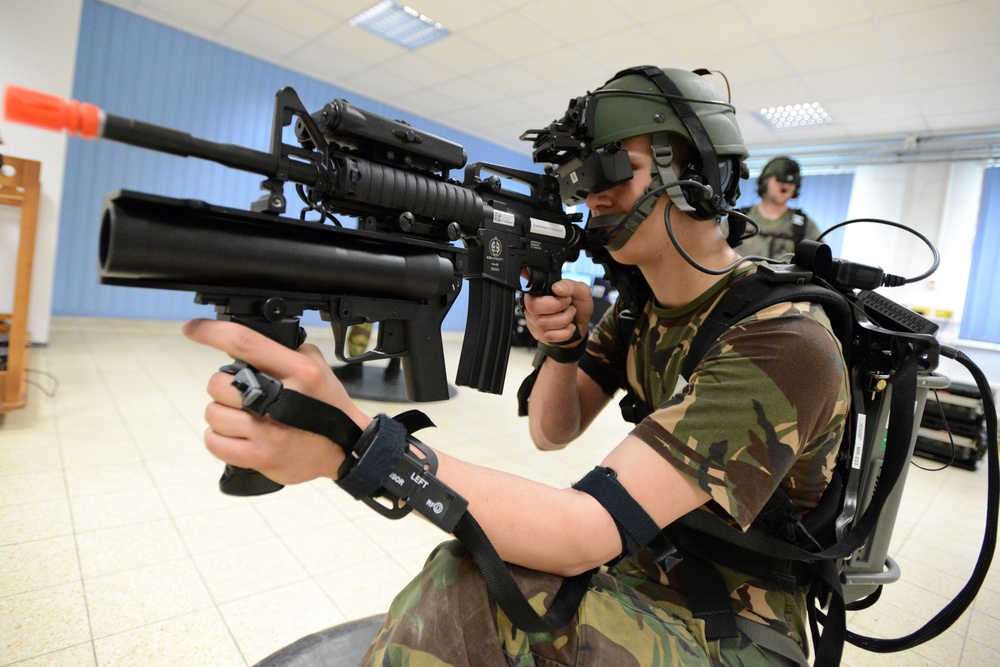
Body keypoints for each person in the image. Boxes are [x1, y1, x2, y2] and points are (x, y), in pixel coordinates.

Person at [182, 66, 850, 666]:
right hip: (645, 568)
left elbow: (587, 528)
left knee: (463, 591)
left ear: (690, 168)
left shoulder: (786, 341)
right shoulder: (643, 306)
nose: (590, 197)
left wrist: (354, 445)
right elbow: (551, 430)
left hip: (734, 626)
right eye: (577, 179)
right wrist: (560, 348)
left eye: (609, 171)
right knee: (470, 562)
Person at [736, 156, 821, 259]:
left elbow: (819, 264)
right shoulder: (739, 219)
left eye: (792, 182)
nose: (786, 186)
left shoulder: (805, 227)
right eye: (780, 179)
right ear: (764, 182)